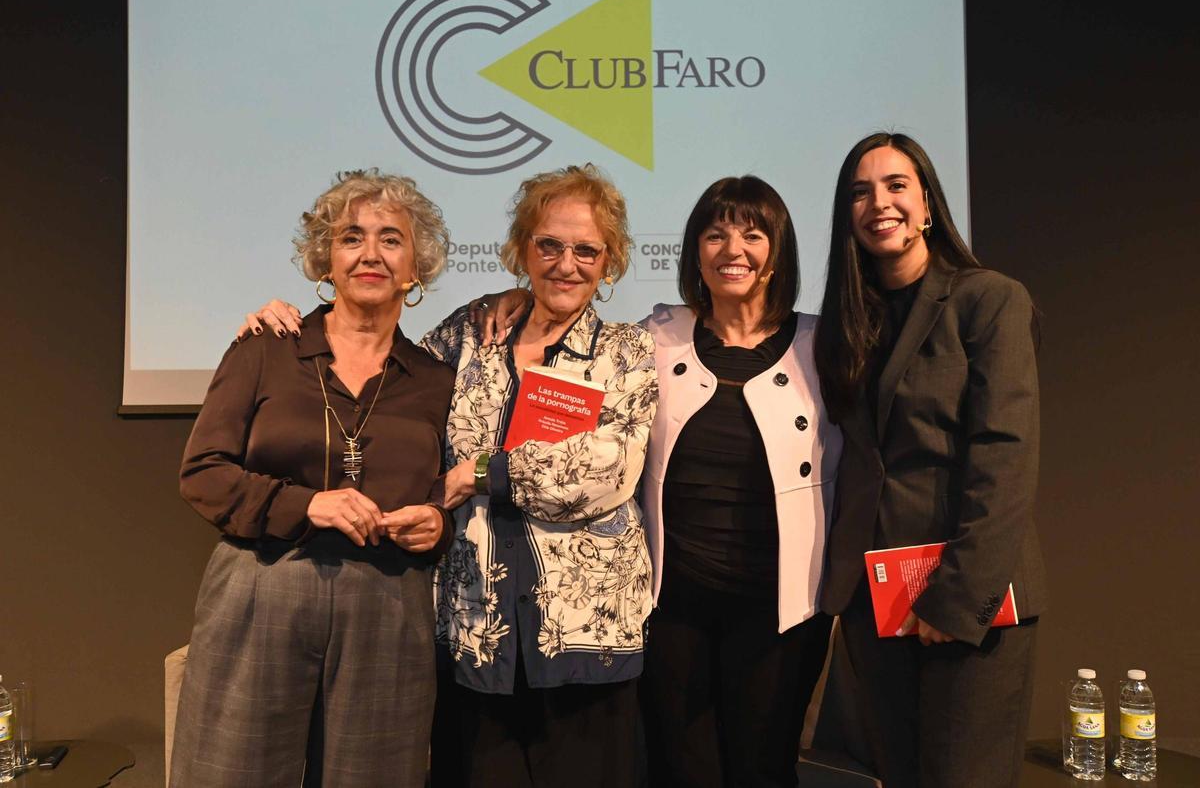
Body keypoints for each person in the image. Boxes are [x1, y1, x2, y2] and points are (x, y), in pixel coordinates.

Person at [244, 164, 659, 788]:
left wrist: (482, 474)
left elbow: (606, 469)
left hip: (587, 636)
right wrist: (293, 318)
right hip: (474, 631)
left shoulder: (627, 351)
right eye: (548, 244)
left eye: (586, 250)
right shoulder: (469, 334)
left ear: (611, 261)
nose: (565, 263)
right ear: (522, 250)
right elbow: (383, 382)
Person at [472, 175, 842, 787]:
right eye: (715, 234)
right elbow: (567, 319)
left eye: (753, 235)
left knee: (765, 770)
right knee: (680, 769)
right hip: (674, 606)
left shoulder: (822, 345)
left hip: (778, 609)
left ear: (779, 252)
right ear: (694, 249)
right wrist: (512, 297)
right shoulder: (654, 337)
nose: (733, 250)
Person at [171, 169, 456, 788]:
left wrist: (438, 522)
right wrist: (305, 505)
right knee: (232, 773)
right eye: (352, 237)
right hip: (263, 584)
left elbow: (446, 492)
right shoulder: (265, 347)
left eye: (391, 238)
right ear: (327, 260)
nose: (371, 253)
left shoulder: (436, 378)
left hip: (387, 601)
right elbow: (203, 473)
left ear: (416, 267)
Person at [813, 133, 1047, 788]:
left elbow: (1005, 454)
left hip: (967, 600)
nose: (877, 202)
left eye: (895, 186)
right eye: (859, 192)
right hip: (878, 605)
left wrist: (955, 599)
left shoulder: (988, 299)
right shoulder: (844, 322)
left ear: (926, 205)